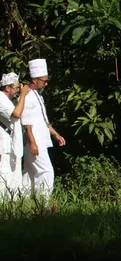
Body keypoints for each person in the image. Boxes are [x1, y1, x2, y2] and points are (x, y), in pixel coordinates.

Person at [22, 59, 65, 201]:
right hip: (35, 141)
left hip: (40, 139)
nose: (46, 84)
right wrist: (32, 142)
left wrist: (56, 134)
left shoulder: (38, 96)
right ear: (35, 79)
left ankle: (24, 200)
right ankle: (43, 203)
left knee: (29, 173)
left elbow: (44, 121)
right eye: (44, 81)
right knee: (46, 171)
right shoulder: (28, 96)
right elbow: (26, 122)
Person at [0, 73, 29, 198]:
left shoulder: (8, 100)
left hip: (12, 143)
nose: (18, 91)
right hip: (4, 144)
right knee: (4, 175)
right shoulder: (0, 99)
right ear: (7, 88)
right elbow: (16, 114)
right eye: (16, 88)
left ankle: (13, 204)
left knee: (14, 176)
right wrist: (22, 95)